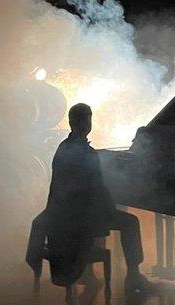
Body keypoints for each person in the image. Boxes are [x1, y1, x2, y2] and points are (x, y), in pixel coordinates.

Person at [27, 103, 151, 293]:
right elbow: (98, 189)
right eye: (85, 119)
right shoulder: (86, 153)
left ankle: (90, 274)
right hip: (82, 218)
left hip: (63, 214)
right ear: (77, 122)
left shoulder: (64, 148)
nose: (86, 123)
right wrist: (110, 208)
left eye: (87, 119)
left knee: (109, 214)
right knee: (130, 222)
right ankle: (133, 276)